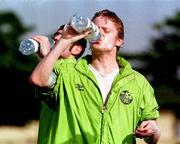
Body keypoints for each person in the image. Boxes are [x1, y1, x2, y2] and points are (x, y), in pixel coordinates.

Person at [29, 9, 160, 144]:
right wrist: (64, 40)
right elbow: (38, 80)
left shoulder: (138, 82)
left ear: (119, 40)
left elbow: (152, 136)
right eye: (95, 29)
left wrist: (153, 130)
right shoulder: (67, 71)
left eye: (106, 30)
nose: (99, 33)